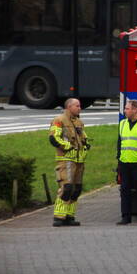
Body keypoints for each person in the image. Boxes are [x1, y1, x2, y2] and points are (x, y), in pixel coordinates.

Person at [49, 97, 89, 226]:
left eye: (79, 106)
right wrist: (68, 147)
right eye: (77, 106)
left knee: (76, 189)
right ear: (69, 107)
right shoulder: (59, 120)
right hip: (66, 160)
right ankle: (58, 217)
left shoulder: (79, 122)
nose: (79, 108)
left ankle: (69, 216)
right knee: (66, 188)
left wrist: (86, 146)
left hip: (79, 160)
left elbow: (84, 137)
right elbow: (54, 138)